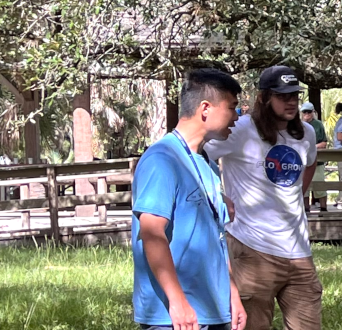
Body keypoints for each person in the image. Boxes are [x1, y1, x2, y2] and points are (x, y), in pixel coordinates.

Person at [205, 65, 322, 330]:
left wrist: (295, 195)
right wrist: (218, 195)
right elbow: (197, 154)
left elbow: (311, 162)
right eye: (283, 96)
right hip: (252, 248)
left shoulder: (306, 133)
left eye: (294, 94)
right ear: (264, 97)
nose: (291, 101)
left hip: (299, 251)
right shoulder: (240, 129)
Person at [131, 68, 246, 330]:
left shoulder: (208, 164)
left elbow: (215, 238)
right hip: (176, 317)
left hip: (214, 310)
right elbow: (152, 234)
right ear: (205, 108)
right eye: (232, 108)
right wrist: (178, 301)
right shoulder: (162, 160)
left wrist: (232, 294)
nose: (237, 118)